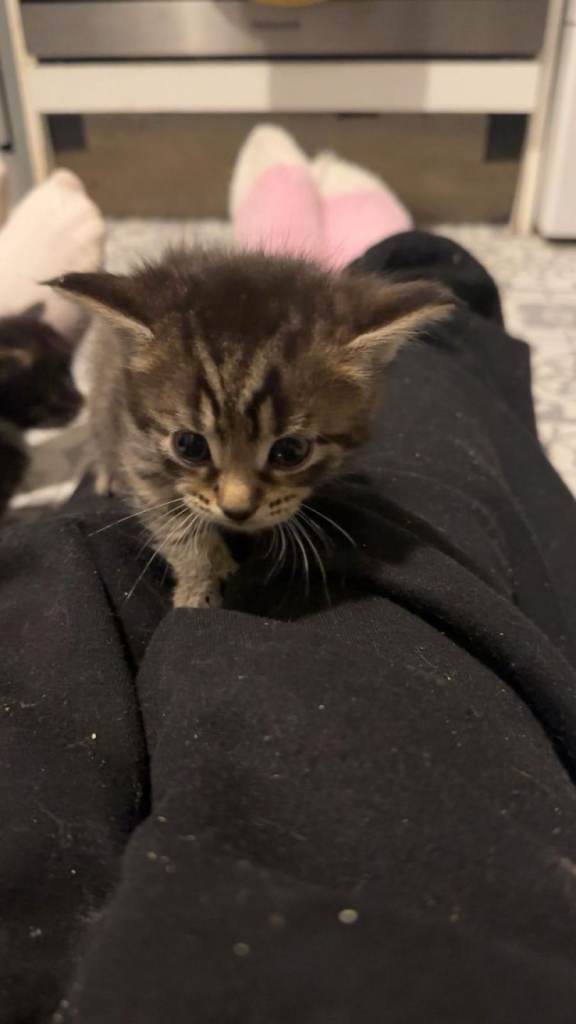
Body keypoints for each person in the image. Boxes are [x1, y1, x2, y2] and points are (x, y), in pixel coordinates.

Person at [1, 132, 576, 1024]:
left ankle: (327, 245)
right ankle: (394, 245)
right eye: (199, 450)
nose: (235, 495)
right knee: (452, 392)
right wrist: (193, 546)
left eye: (287, 453)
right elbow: (159, 461)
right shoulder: (161, 394)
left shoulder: (342, 371)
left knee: (69, 555)